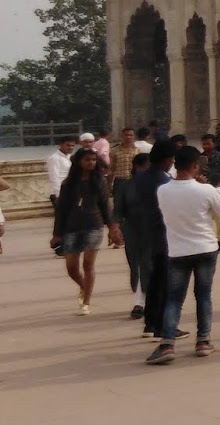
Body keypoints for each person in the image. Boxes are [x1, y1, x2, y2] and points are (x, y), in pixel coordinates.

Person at [148, 145, 220, 364]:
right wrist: (219, 191)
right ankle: (203, 340)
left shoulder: (163, 190)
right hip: (205, 247)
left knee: (174, 298)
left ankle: (167, 343)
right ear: (195, 166)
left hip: (178, 250)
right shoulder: (205, 190)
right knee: (203, 295)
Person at [52, 147, 121, 315]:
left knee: (88, 265)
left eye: (94, 160)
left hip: (94, 226)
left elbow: (105, 206)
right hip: (72, 227)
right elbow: (61, 210)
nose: (91, 163)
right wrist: (57, 234)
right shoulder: (68, 184)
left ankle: (86, 301)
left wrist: (112, 228)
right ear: (78, 162)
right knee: (72, 268)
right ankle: (84, 287)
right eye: (87, 160)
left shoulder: (99, 181)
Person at [135, 140, 179, 339]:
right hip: (165, 232)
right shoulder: (164, 181)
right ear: (165, 160)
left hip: (150, 230)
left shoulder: (142, 177)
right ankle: (163, 325)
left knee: (155, 279)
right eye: (171, 159)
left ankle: (151, 323)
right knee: (166, 282)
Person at [114, 151, 151, 317]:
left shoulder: (158, 183)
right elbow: (118, 210)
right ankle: (140, 300)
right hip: (132, 229)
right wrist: (115, 229)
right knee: (135, 265)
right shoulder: (126, 186)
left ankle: (142, 302)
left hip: (153, 230)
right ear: (137, 167)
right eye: (146, 166)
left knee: (148, 265)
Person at [46, 134, 75, 210]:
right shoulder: (55, 158)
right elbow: (54, 177)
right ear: (61, 145)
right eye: (68, 145)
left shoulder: (69, 157)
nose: (70, 147)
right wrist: (59, 196)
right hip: (59, 193)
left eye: (72, 146)